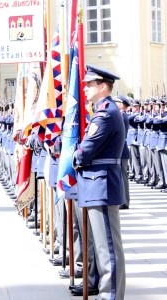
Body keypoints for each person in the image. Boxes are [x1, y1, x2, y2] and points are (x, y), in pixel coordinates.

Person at [72, 64, 126, 299]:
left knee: (107, 250)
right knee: (103, 247)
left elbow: (86, 151)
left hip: (101, 185)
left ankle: (110, 295)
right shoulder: (103, 110)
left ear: (103, 86)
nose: (84, 88)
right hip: (97, 184)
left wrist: (71, 157)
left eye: (89, 84)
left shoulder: (105, 113)